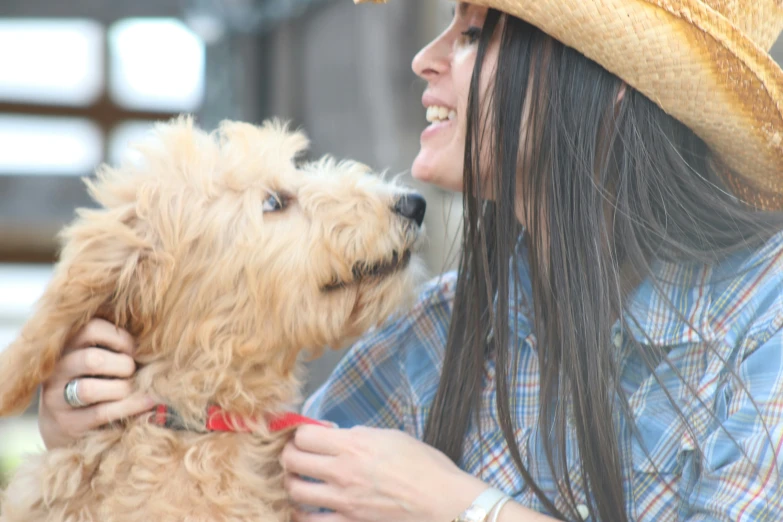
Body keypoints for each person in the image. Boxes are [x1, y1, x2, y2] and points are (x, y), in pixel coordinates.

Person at [37, 1, 783, 521]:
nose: (426, 58)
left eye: (471, 32)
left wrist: (462, 510)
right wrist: (102, 421)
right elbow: (232, 465)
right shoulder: (439, 330)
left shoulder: (767, 316)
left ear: (612, 85)